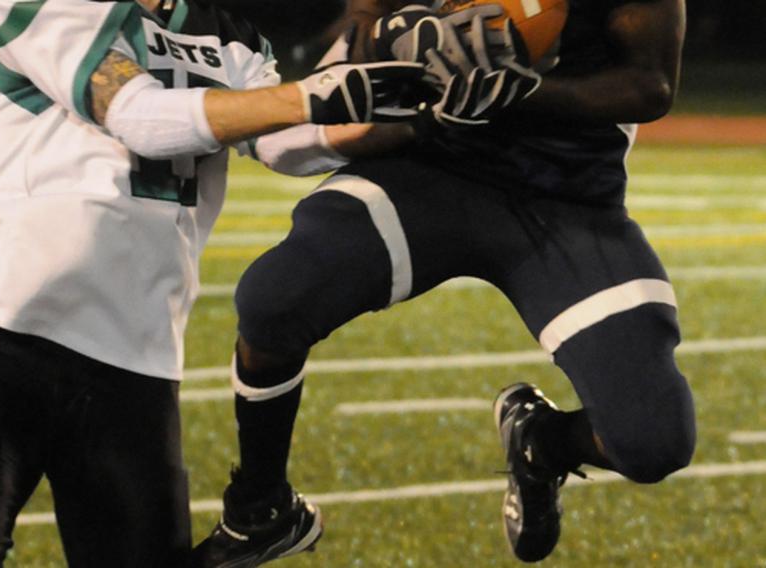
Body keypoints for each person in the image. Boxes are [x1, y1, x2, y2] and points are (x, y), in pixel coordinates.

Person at [0, 0, 428, 565]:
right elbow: (137, 116)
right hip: (10, 333)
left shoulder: (231, 38)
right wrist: (314, 94)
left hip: (139, 360)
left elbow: (289, 142)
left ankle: (262, 520)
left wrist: (421, 117)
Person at [193, 0, 696, 564]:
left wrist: (519, 91)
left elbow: (650, 85)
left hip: (566, 199)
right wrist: (385, 43)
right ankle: (262, 507)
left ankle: (545, 442)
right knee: (274, 301)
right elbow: (361, 34)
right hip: (428, 169)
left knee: (652, 440)